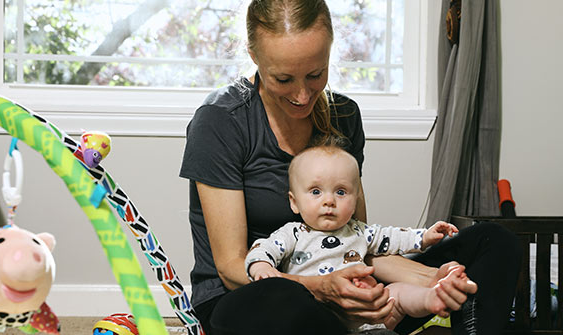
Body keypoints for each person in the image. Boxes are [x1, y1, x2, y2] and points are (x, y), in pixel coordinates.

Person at [179, 0, 521, 334]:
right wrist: (322, 288)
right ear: (254, 58)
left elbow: (357, 242)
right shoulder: (221, 122)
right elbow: (230, 269)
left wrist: (431, 281)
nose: (301, 95)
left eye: (315, 74)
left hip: (343, 298)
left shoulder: (344, 116)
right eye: (283, 79)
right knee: (283, 298)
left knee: (494, 240)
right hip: (251, 297)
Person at [244, 143, 478, 330]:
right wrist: (261, 267)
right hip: (319, 310)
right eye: (316, 192)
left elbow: (393, 238)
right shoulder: (292, 234)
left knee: (395, 294)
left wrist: (425, 237)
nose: (329, 200)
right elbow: (262, 249)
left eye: (341, 192)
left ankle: (431, 299)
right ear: (294, 202)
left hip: (365, 310)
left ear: (355, 200)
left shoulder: (359, 231)